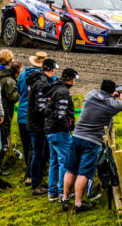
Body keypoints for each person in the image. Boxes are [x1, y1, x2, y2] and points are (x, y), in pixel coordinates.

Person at [62, 79, 122, 214]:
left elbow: (102, 97)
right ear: (112, 91)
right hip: (92, 141)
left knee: (71, 169)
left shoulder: (91, 95)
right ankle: (78, 203)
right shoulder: (112, 104)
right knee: (83, 172)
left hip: (76, 136)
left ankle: (65, 199)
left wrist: (111, 96)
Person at [45, 68, 78, 202]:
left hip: (49, 130)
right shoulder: (63, 92)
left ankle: (52, 192)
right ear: (71, 79)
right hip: (59, 131)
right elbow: (60, 114)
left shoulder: (53, 87)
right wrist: (68, 127)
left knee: (54, 162)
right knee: (65, 161)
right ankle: (63, 192)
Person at [28, 57, 58, 195]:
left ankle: (38, 180)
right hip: (38, 125)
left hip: (37, 123)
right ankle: (35, 184)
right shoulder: (42, 83)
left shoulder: (39, 80)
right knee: (38, 154)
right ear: (51, 69)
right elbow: (41, 106)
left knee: (42, 153)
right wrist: (51, 113)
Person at [18, 51, 46, 185]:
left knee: (26, 145)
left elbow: (19, 91)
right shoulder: (43, 78)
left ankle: (29, 170)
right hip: (34, 115)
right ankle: (30, 175)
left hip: (22, 113)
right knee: (34, 148)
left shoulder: (23, 75)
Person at [0, 50, 20, 175]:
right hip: (3, 112)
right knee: (2, 142)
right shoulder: (8, 79)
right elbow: (12, 97)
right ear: (9, 61)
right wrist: (20, 92)